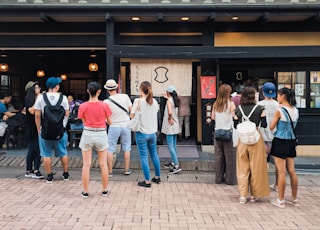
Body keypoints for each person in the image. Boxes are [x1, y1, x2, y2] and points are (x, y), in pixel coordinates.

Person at [234, 86, 270, 204]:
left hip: (243, 140)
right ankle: (254, 195)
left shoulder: (238, 109)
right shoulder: (260, 108)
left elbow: (235, 125)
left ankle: (243, 195)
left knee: (242, 167)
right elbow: (264, 125)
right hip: (256, 139)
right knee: (256, 167)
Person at [78, 81, 112, 198]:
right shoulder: (104, 105)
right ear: (99, 92)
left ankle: (86, 191)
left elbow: (83, 120)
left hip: (88, 133)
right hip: (101, 133)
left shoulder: (83, 106)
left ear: (88, 91)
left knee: (86, 165)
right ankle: (104, 190)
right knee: (103, 164)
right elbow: (109, 121)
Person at [34, 77, 70, 183]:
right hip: (60, 130)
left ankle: (49, 176)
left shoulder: (41, 97)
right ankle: (66, 174)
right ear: (56, 86)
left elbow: (37, 115)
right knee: (63, 152)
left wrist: (38, 129)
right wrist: (62, 124)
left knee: (46, 154)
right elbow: (67, 113)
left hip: (45, 130)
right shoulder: (63, 98)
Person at [269, 87, 299, 208]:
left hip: (280, 140)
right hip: (292, 141)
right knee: (291, 170)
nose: (277, 98)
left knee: (281, 171)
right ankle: (294, 198)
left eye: (278, 95)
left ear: (283, 96)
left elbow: (271, 127)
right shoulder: (296, 110)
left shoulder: (280, 110)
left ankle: (280, 200)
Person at [131, 81, 161, 187]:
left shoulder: (138, 101)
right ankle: (157, 177)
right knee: (154, 154)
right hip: (153, 133)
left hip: (142, 133)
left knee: (144, 156)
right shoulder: (155, 102)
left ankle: (147, 181)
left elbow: (132, 115)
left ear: (140, 90)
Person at [103, 79, 132, 177]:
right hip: (126, 125)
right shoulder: (125, 96)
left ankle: (110, 172)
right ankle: (126, 169)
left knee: (110, 149)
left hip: (114, 126)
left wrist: (109, 122)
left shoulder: (106, 102)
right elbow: (131, 111)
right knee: (127, 148)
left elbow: (105, 117)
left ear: (107, 90)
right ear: (117, 87)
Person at [211, 84, 237, 185]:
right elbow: (235, 117)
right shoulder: (231, 104)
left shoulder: (216, 104)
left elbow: (212, 117)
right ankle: (230, 180)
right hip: (228, 133)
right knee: (230, 158)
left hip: (218, 133)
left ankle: (218, 178)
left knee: (218, 157)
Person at [257, 82, 279, 191]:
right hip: (276, 136)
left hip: (262, 135)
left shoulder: (259, 104)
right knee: (278, 163)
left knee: (262, 162)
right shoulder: (278, 105)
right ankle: (277, 185)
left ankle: (263, 183)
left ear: (263, 92)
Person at [24, 81, 44, 179]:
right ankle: (29, 169)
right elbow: (31, 111)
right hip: (31, 127)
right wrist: (38, 100)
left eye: (39, 87)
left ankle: (36, 169)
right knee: (32, 148)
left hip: (39, 125)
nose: (38, 89)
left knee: (38, 148)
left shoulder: (39, 98)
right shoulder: (29, 99)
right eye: (36, 87)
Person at [161, 85, 182, 174]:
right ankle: (174, 162)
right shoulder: (175, 100)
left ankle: (176, 165)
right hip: (175, 124)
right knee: (174, 145)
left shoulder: (169, 101)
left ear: (168, 92)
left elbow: (169, 112)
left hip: (170, 125)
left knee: (170, 146)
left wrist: (169, 118)